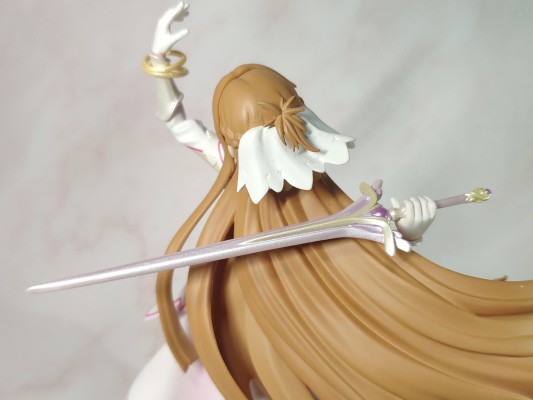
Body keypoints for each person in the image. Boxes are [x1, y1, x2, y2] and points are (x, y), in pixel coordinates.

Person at [130, 3, 533, 399]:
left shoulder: (323, 200)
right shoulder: (235, 169)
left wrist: (405, 232)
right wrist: (160, 62)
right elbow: (178, 123)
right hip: (236, 340)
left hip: (307, 345)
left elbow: (363, 268)